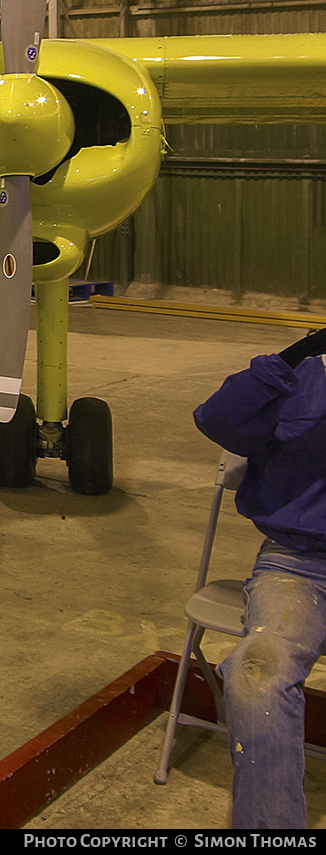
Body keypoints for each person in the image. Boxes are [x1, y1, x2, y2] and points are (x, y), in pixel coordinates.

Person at [193, 328, 326, 828]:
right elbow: (218, 418)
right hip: (298, 565)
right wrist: (294, 357)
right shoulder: (300, 379)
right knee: (257, 676)